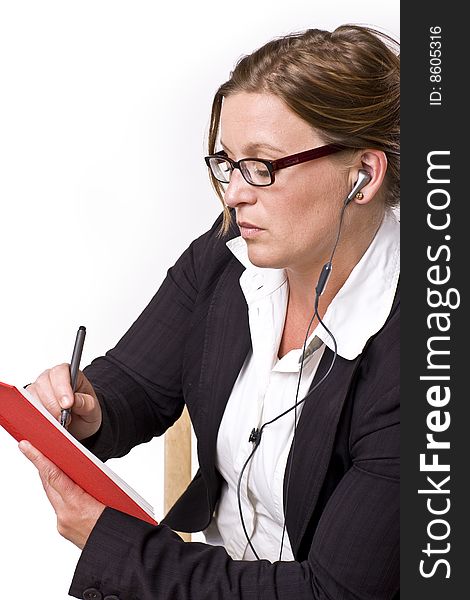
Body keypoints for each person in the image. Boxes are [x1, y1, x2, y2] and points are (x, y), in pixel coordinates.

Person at [20, 24, 400, 599]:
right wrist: (91, 407)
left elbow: (336, 593)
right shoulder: (227, 256)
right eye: (228, 163)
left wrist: (115, 547)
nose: (234, 194)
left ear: (362, 175)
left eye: (264, 166)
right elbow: (138, 383)